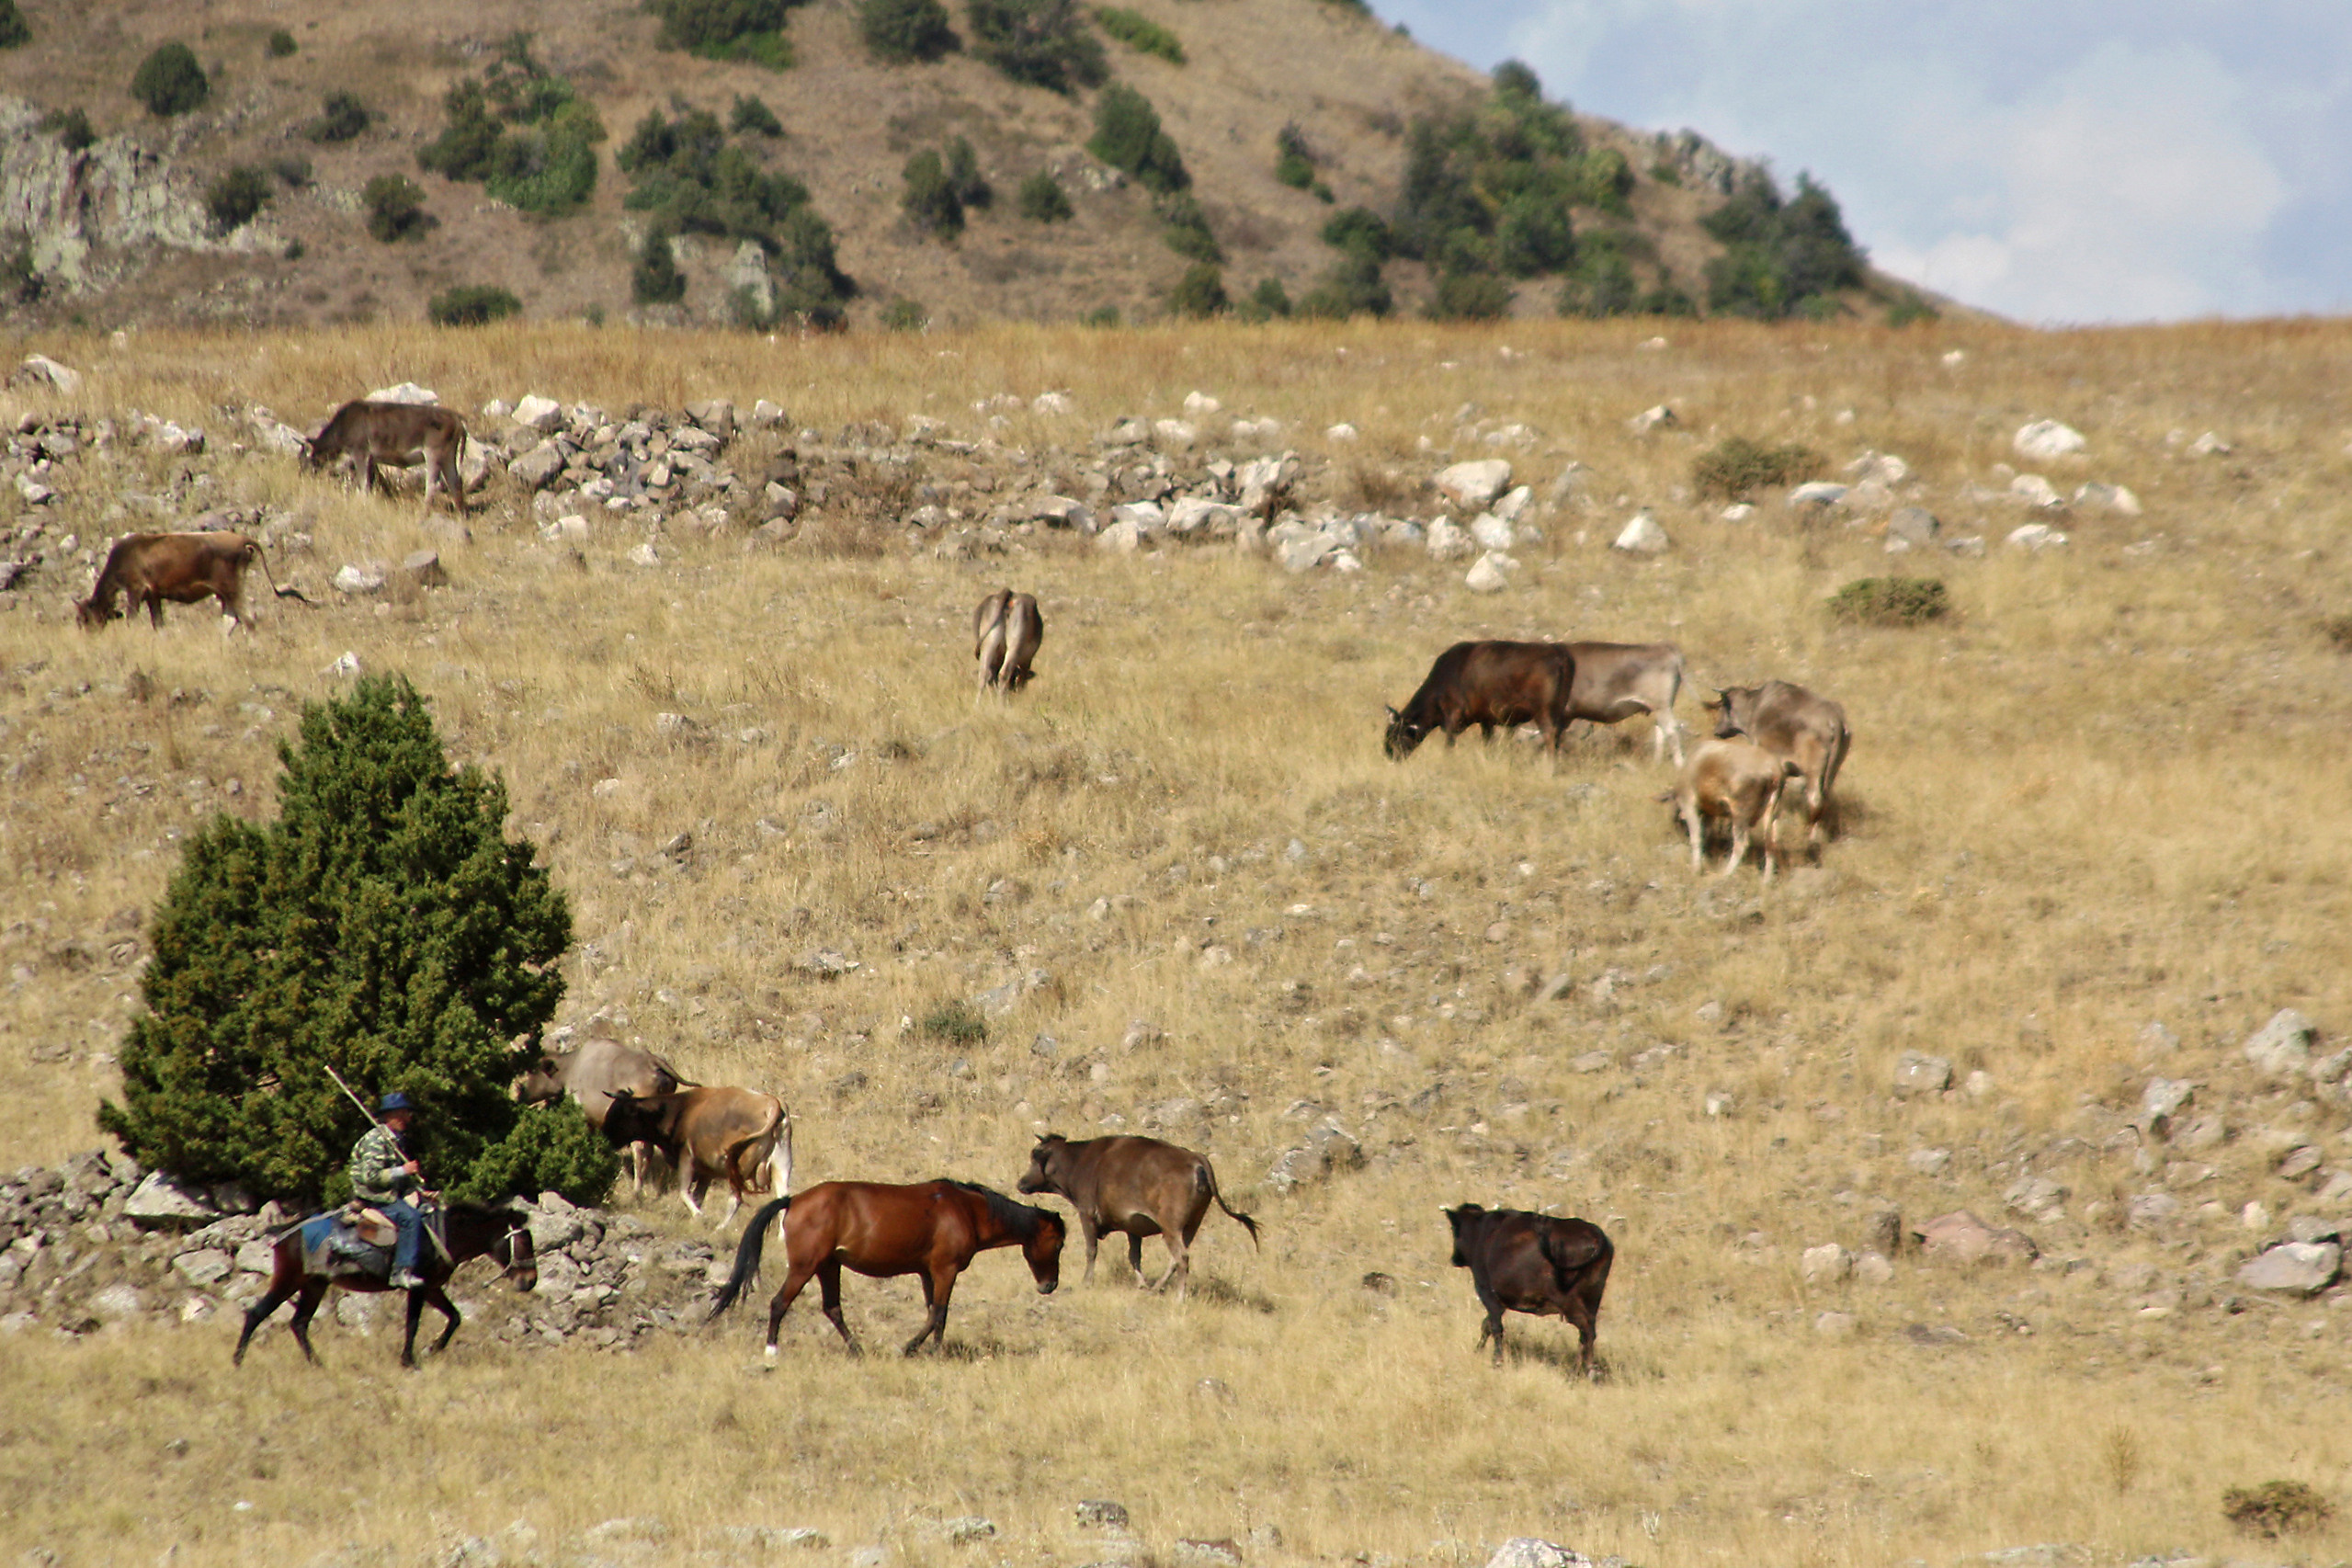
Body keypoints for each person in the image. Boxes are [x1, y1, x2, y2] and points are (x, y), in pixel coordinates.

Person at [347, 1092, 433, 1290]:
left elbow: (399, 1180)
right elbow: (371, 1177)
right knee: (410, 1218)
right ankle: (401, 1271)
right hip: (375, 1196)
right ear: (389, 1116)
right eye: (402, 1114)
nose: (407, 1118)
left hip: (391, 1193)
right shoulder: (375, 1140)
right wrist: (403, 1170)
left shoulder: (396, 1139)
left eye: (407, 1113)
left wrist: (419, 1191)